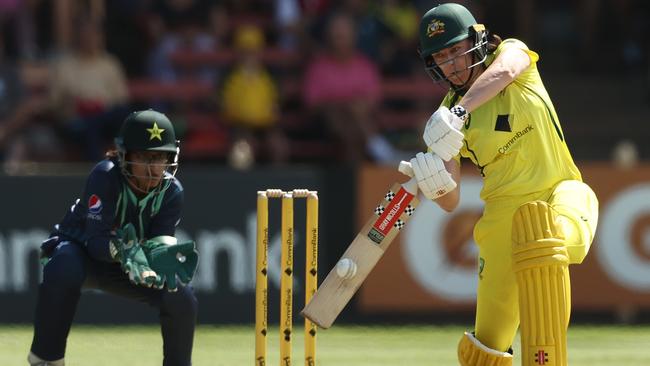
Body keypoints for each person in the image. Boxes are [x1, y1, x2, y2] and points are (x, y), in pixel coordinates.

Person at [407, 4, 599, 366]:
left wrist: (459, 114)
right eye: (440, 56)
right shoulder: (445, 120)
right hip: (500, 222)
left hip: (560, 191)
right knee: (486, 350)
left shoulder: (511, 53)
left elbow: (507, 70)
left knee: (545, 240)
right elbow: (451, 201)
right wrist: (434, 179)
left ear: (477, 40)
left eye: (455, 50)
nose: (450, 63)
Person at [28, 110, 199, 366]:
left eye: (160, 158)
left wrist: (162, 257)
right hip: (84, 254)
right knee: (63, 264)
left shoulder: (172, 191)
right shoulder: (105, 176)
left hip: (131, 265)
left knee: (181, 295)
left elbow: (159, 240)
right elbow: (96, 242)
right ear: (124, 155)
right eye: (144, 158)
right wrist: (123, 251)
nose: (153, 170)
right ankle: (46, 359)